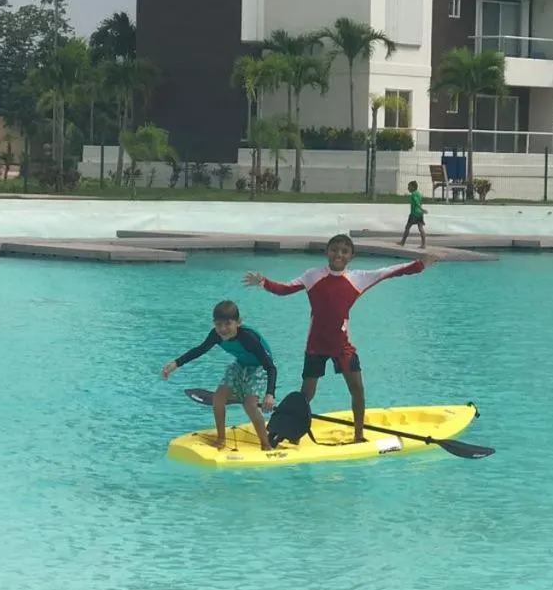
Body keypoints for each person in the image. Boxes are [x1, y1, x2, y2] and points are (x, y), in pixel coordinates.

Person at [244, 234, 437, 443]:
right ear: (327, 252)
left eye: (344, 251)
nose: (339, 254)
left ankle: (358, 435)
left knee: (357, 390)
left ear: (351, 256)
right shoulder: (312, 276)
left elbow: (389, 272)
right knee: (306, 394)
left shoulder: (358, 278)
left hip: (342, 346)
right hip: (316, 345)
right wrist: (263, 282)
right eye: (334, 250)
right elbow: (286, 289)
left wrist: (419, 265)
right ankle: (292, 434)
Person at [162, 300, 278, 451]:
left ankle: (266, 444)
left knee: (249, 405)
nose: (223, 329)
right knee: (218, 398)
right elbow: (199, 350)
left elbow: (271, 367)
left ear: (238, 322)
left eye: (228, 324)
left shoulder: (249, 338)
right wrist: (176, 364)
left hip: (260, 367)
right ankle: (221, 439)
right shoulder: (215, 335)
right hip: (240, 364)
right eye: (218, 324)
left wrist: (270, 394)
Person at [400, 180, 426, 248]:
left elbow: (416, 202)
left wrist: (421, 209)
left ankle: (402, 242)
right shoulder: (419, 194)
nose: (408, 188)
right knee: (421, 228)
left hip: (414, 214)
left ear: (413, 187)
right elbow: (420, 202)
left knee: (407, 227)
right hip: (420, 214)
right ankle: (423, 244)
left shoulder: (413, 194)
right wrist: (421, 210)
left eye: (409, 187)